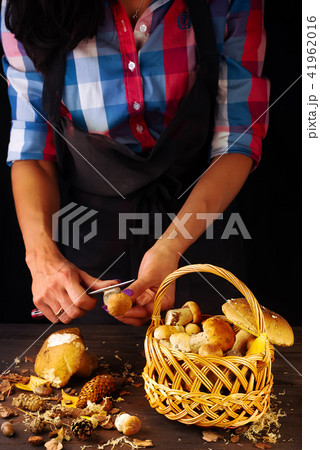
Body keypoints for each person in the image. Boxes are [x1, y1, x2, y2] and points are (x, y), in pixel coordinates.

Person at [0, 0, 269, 326]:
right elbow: (34, 151)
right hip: (88, 244)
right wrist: (42, 258)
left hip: (201, 227)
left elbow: (236, 141)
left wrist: (170, 248)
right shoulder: (29, 7)